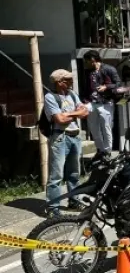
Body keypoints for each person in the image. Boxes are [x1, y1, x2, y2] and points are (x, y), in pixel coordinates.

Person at [44, 69, 89, 218]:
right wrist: (75, 114)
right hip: (60, 137)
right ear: (59, 82)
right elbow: (60, 120)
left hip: (75, 136)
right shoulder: (51, 97)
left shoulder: (72, 94)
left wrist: (69, 114)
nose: (71, 82)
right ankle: (52, 207)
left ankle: (74, 200)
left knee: (74, 173)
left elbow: (85, 112)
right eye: (68, 80)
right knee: (56, 175)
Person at [82, 50, 120, 159]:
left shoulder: (109, 69)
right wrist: (85, 100)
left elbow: (118, 83)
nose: (85, 63)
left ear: (92, 60)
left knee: (106, 127)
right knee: (93, 128)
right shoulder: (87, 72)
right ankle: (101, 150)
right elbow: (86, 87)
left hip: (106, 102)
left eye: (87, 61)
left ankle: (107, 152)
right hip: (92, 102)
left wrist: (106, 87)